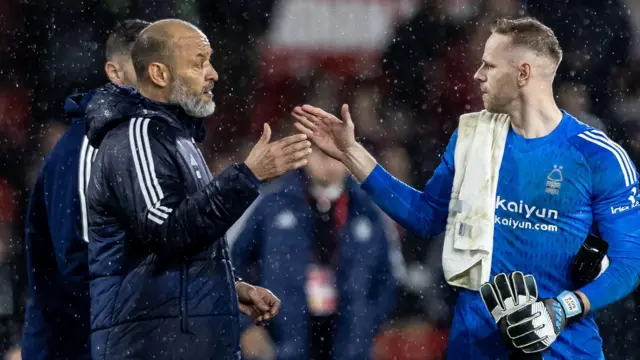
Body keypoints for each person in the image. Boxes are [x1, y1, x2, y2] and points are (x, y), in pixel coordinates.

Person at [292, 17, 640, 359]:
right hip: (475, 344)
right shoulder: (473, 139)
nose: (477, 75)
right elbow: (426, 217)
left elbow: (630, 263)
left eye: (489, 65)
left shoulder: (600, 157)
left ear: (522, 74)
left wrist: (563, 308)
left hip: (564, 347)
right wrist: (351, 153)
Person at [84, 19, 312, 360]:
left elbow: (182, 240)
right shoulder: (136, 137)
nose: (213, 73)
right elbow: (167, 232)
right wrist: (248, 175)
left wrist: (227, 287)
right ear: (160, 74)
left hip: (186, 341)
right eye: (199, 62)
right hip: (153, 346)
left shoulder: (176, 137)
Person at [21, 19, 150, 360]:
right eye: (145, 65)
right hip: (77, 346)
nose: (158, 76)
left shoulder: (155, 142)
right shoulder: (88, 144)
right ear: (115, 72)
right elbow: (81, 260)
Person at [231, 145, 396, 360]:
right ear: (305, 156)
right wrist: (247, 325)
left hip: (348, 344)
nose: (327, 162)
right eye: (320, 153)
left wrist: (366, 325)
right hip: (282, 340)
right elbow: (234, 266)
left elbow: (386, 278)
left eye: (335, 154)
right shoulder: (272, 204)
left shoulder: (368, 210)